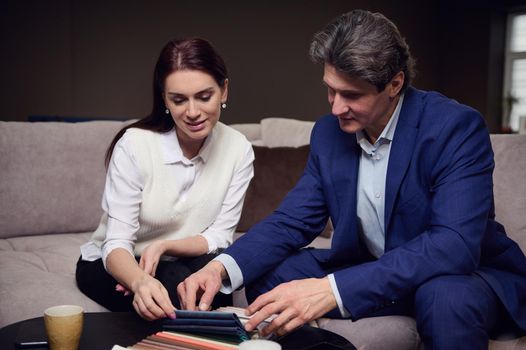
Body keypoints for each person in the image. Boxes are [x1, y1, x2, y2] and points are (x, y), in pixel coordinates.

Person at [177, 10, 526, 349]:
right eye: (331, 89)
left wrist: (332, 290)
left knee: (444, 297)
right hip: (372, 267)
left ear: (395, 84)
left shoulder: (454, 128)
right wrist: (220, 268)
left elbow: (452, 246)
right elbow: (292, 221)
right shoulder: (330, 132)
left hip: (456, 274)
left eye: (351, 95)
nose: (335, 107)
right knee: (271, 275)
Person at [76, 37, 254, 321]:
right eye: (179, 99)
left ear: (224, 90)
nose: (193, 112)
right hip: (117, 261)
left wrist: (163, 246)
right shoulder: (134, 145)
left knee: (215, 279)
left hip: (182, 256)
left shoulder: (238, 148)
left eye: (204, 96)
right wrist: (138, 281)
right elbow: (116, 244)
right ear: (164, 100)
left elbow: (219, 236)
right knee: (172, 288)